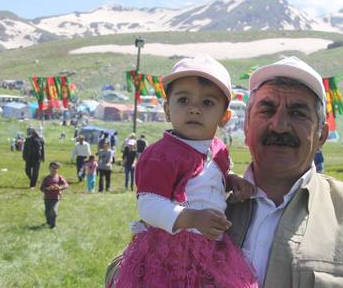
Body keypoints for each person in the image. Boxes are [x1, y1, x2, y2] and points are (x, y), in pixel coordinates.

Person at [223, 57, 343, 287]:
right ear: (246, 127)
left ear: (321, 135)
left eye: (298, 114)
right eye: (267, 110)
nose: (279, 125)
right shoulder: (204, 200)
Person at [108, 55, 257, 287]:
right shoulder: (162, 155)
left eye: (207, 103)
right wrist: (192, 218)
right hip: (170, 250)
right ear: (168, 110)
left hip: (210, 249)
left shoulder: (218, 150)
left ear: (224, 117)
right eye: (184, 100)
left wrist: (230, 180)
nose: (194, 110)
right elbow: (149, 205)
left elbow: (205, 179)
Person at [40, 161, 69, 229]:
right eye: (52, 167)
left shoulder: (59, 177)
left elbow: (66, 185)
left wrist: (60, 187)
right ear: (49, 168)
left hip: (56, 197)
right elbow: (42, 188)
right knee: (47, 211)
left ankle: (53, 225)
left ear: (58, 169)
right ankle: (48, 222)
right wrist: (48, 188)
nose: (54, 169)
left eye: (56, 168)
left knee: (53, 210)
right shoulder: (46, 178)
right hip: (47, 197)